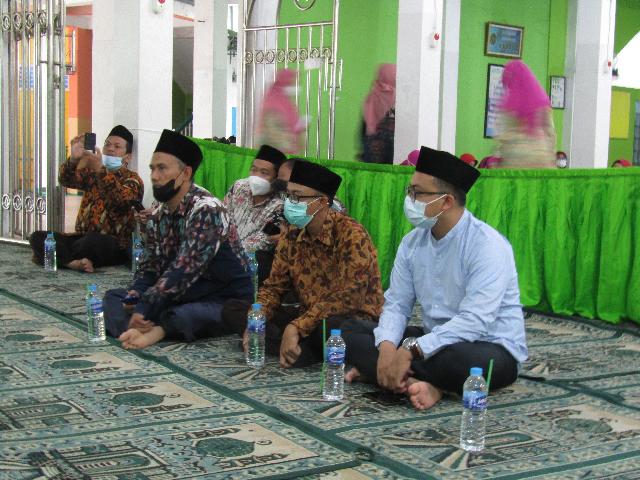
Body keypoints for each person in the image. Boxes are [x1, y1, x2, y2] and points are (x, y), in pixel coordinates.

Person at [342, 146, 528, 410]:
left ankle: (389, 374)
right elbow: (397, 304)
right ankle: (417, 380)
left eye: (417, 193)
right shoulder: (411, 243)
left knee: (460, 361)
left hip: (488, 345)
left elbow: (475, 321)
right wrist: (387, 349)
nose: (410, 199)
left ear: (446, 201)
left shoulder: (486, 245)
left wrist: (411, 350)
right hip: (433, 339)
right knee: (349, 331)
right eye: (409, 191)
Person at [222, 160, 384, 368]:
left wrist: (296, 327)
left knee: (333, 328)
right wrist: (257, 319)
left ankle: (295, 345)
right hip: (307, 314)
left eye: (297, 197)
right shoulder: (292, 232)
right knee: (234, 309)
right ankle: (296, 347)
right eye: (288, 195)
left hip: (349, 318)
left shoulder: (351, 234)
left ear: (322, 202)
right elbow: (274, 286)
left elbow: (349, 298)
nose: (290, 203)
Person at [103, 129, 253, 350]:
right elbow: (149, 268)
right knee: (114, 298)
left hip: (222, 297)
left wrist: (144, 308)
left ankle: (155, 328)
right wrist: (135, 297)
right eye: (152, 168)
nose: (154, 176)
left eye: (162, 168)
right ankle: (145, 327)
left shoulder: (207, 209)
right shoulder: (159, 214)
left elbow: (185, 269)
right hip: (180, 293)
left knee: (184, 315)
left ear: (185, 173)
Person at [29, 125, 143, 272]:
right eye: (107, 144)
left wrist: (100, 170)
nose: (110, 149)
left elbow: (121, 199)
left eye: (117, 146)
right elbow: (65, 180)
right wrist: (73, 160)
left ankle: (53, 257)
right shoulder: (92, 173)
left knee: (92, 242)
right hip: (81, 238)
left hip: (110, 244)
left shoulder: (133, 180)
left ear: (128, 156)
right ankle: (72, 263)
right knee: (38, 237)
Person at [223, 144, 287, 286]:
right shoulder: (239, 187)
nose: (256, 176)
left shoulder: (280, 206)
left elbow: (263, 242)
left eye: (264, 173)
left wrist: (230, 256)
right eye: (254, 169)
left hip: (251, 267)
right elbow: (224, 219)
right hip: (224, 256)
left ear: (276, 179)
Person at [494, 60, 556, 169]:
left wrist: (497, 156)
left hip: (514, 158)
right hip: (541, 156)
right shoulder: (542, 102)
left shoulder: (508, 104)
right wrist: (552, 155)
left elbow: (503, 135)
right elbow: (550, 132)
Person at [256, 69, 306, 155]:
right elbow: (275, 121)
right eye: (293, 81)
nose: (295, 84)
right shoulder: (278, 99)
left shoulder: (274, 96)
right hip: (276, 145)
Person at [360, 64, 396, 164]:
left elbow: (364, 126)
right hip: (390, 148)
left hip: (372, 148)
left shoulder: (372, 97)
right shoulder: (397, 98)